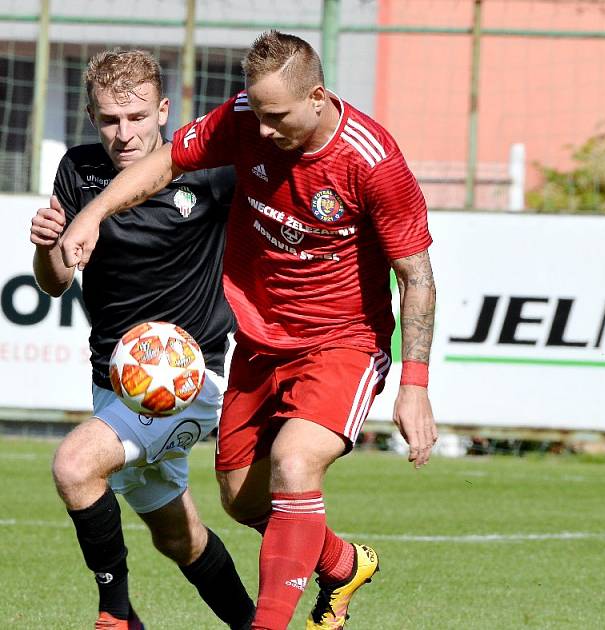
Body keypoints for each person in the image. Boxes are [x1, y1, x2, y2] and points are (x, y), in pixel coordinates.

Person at [59, 31, 438, 630]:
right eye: (254, 112)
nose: (259, 130)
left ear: (317, 96)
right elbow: (168, 160)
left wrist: (414, 384)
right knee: (242, 501)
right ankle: (340, 564)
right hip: (260, 343)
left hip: (344, 339)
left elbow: (417, 276)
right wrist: (93, 212)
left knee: (294, 461)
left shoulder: (372, 162)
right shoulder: (245, 118)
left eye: (275, 116)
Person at [30, 49, 254, 629]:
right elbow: (54, 284)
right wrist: (46, 245)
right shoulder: (79, 172)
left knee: (76, 466)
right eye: (108, 119)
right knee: (180, 539)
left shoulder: (207, 171)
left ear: (162, 112)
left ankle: (116, 616)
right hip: (114, 381)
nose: (123, 133)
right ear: (90, 117)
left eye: (135, 117)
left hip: (189, 377)